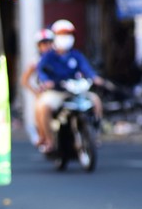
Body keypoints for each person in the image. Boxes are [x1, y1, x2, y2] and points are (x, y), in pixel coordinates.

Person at [35, 19, 103, 152]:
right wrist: (47, 81)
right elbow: (41, 72)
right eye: (61, 34)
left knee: (96, 101)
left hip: (76, 90)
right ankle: (49, 140)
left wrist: (95, 78)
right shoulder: (48, 57)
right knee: (43, 108)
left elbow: (87, 69)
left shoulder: (76, 55)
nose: (65, 37)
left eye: (68, 34)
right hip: (57, 91)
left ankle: (95, 134)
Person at [20, 28, 54, 147]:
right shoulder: (36, 60)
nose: (48, 46)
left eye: (50, 42)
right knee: (40, 109)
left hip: (62, 89)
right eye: (44, 43)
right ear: (39, 46)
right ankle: (45, 137)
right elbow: (24, 80)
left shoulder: (59, 56)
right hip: (46, 91)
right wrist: (35, 92)